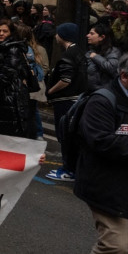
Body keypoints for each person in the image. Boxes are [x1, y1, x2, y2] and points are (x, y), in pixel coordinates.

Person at [73, 58, 128, 253]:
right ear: (124, 76)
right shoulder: (102, 101)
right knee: (117, 246)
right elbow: (101, 141)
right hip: (105, 185)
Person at [0, 19, 37, 139]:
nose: (1, 34)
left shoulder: (13, 49)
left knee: (10, 133)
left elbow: (8, 73)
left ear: (11, 33)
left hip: (11, 96)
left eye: (5, 31)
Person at [44, 23, 86, 182]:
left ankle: (68, 170)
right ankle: (72, 168)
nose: (55, 36)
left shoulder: (69, 55)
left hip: (66, 101)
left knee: (65, 135)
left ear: (63, 36)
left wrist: (50, 91)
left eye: (58, 34)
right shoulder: (78, 52)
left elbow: (66, 79)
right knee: (70, 136)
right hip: (73, 100)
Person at [86, 23, 123, 90]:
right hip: (91, 90)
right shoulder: (91, 50)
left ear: (101, 37)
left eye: (92, 34)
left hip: (106, 91)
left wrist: (95, 57)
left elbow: (111, 68)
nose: (87, 35)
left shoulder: (114, 51)